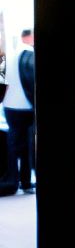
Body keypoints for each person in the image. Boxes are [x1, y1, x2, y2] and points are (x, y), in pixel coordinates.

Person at [2, 29, 33, 194]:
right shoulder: (29, 54)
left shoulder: (6, 56)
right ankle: (26, 182)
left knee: (13, 145)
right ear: (30, 37)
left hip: (9, 106)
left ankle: (12, 180)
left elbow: (2, 83)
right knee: (27, 145)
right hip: (27, 107)